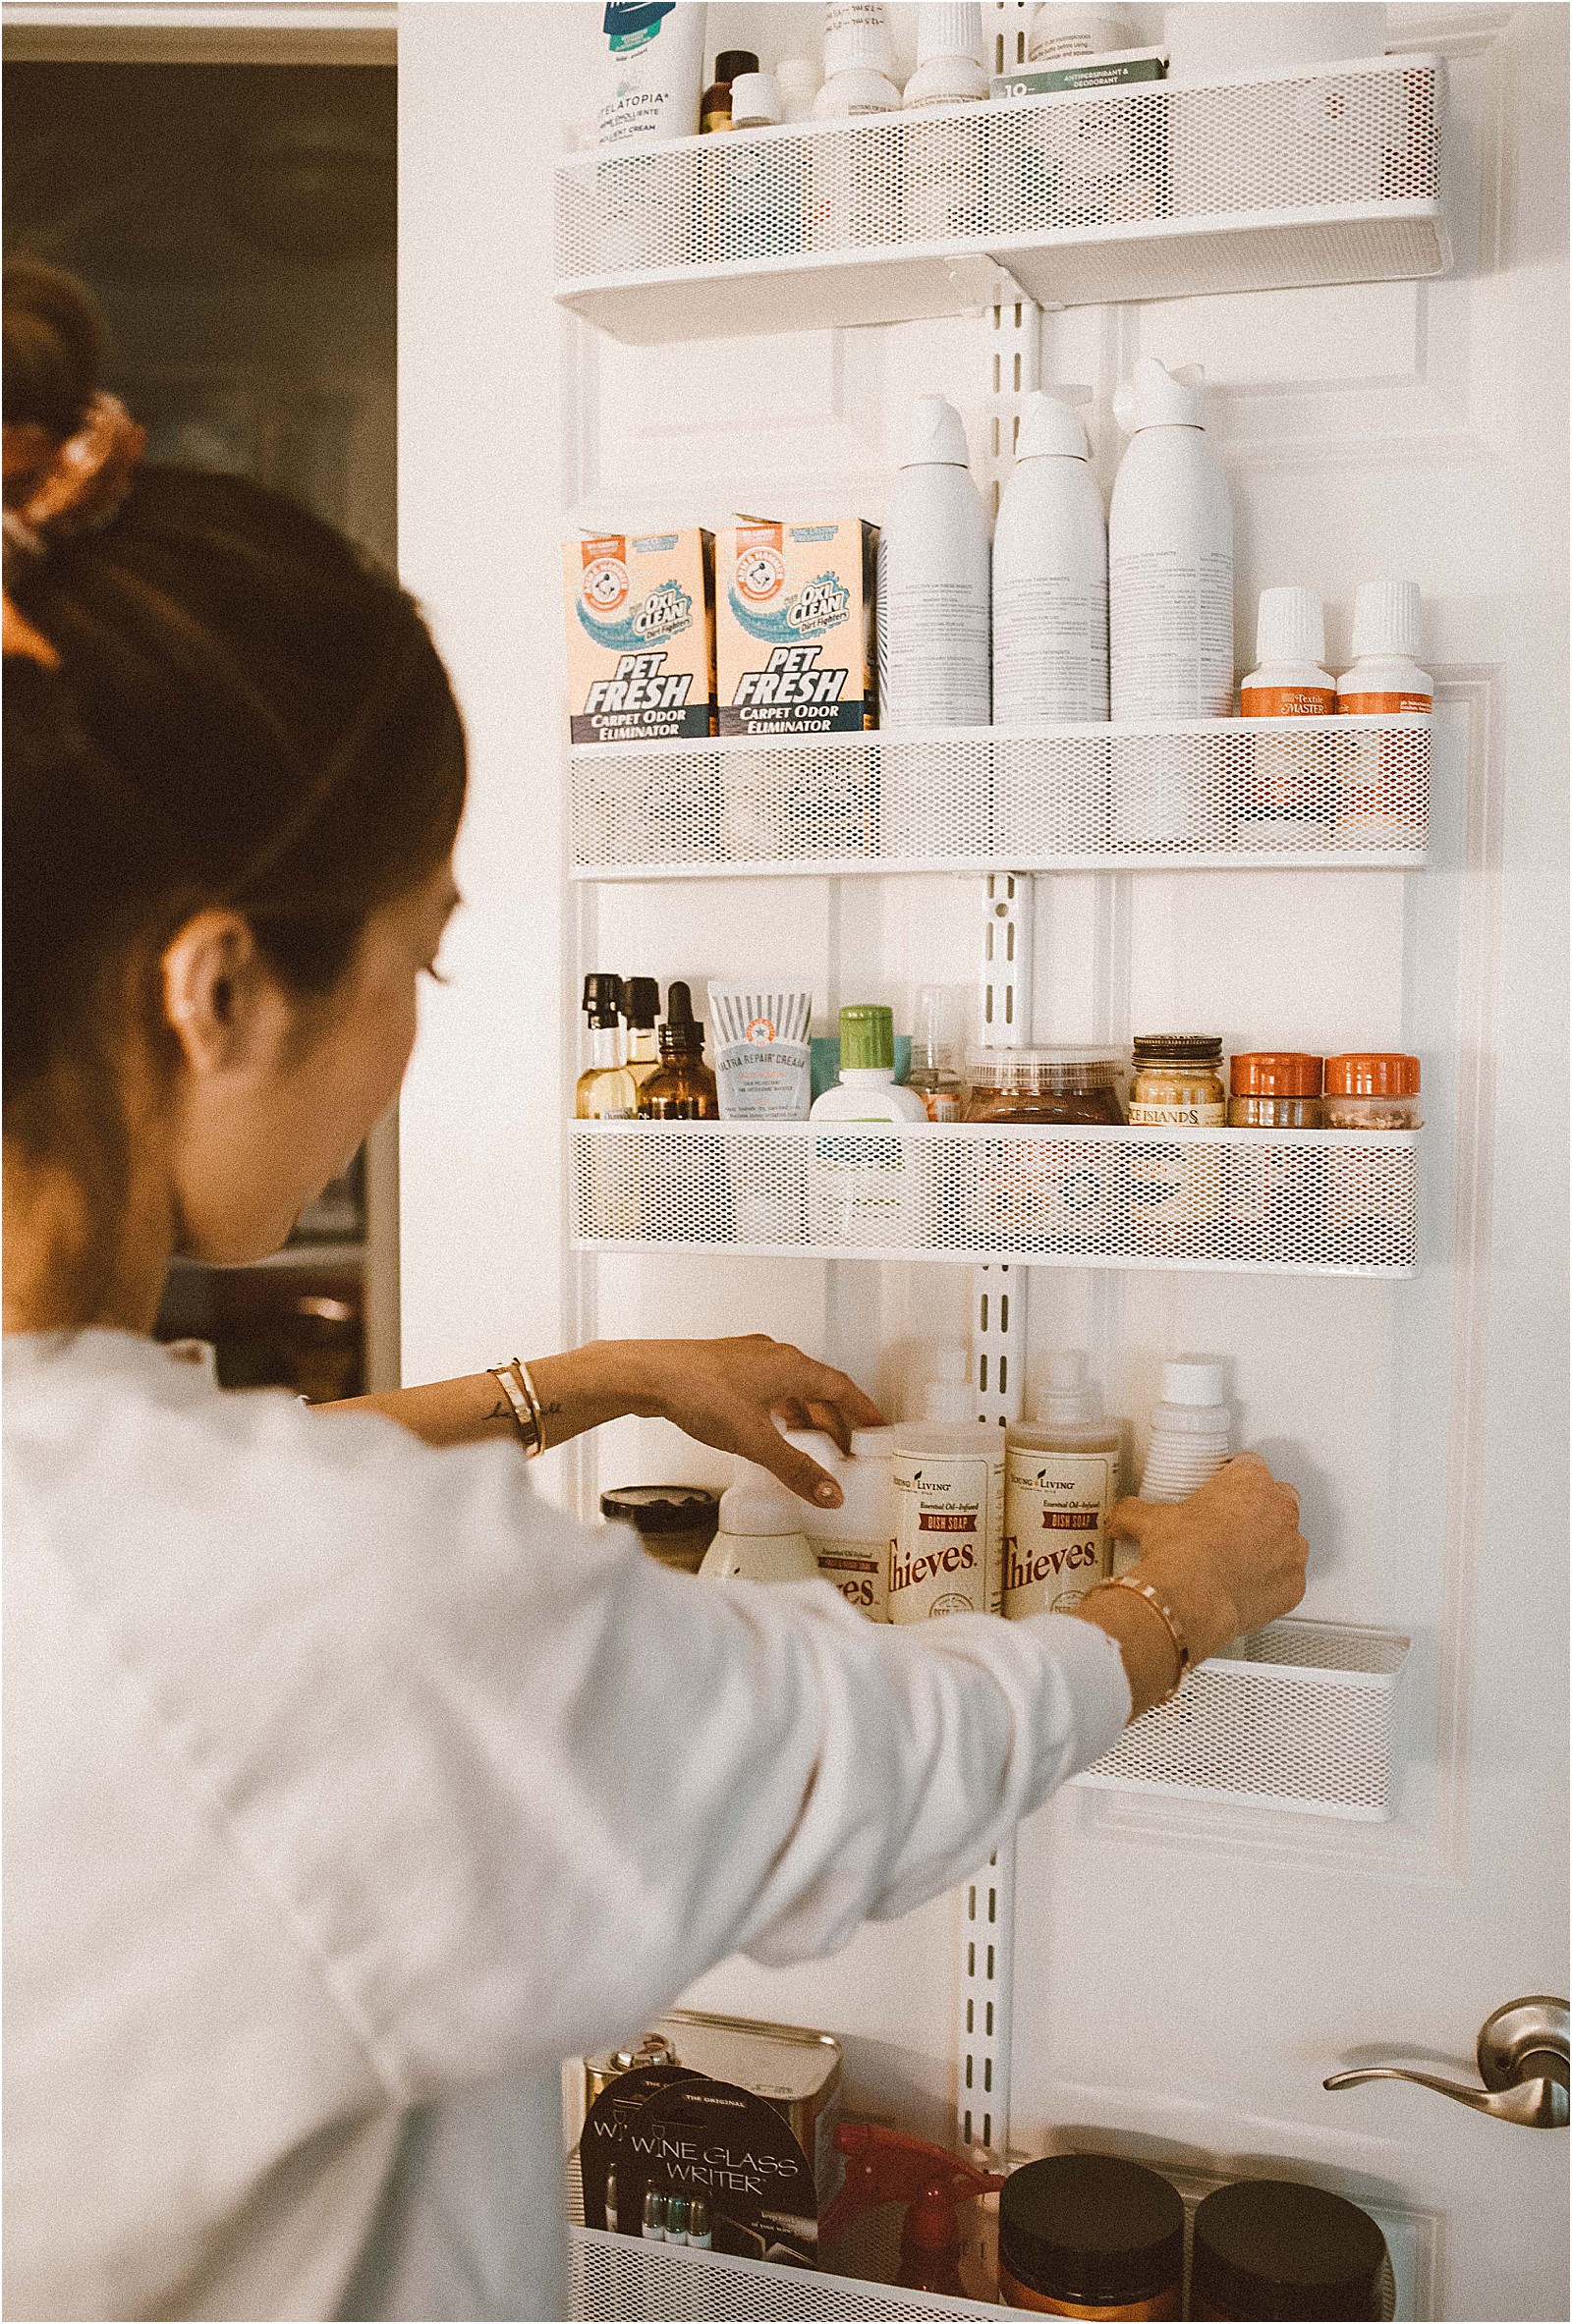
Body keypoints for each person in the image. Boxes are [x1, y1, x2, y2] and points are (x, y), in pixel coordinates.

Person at [2, 262, 1307, 2324]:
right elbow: (839, 1765)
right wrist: (1178, 1598)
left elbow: (150, 1521)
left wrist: (587, 1377)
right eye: (422, 962)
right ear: (219, 984)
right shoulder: (312, 1609)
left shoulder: (145, 1525)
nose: (417, 1039)